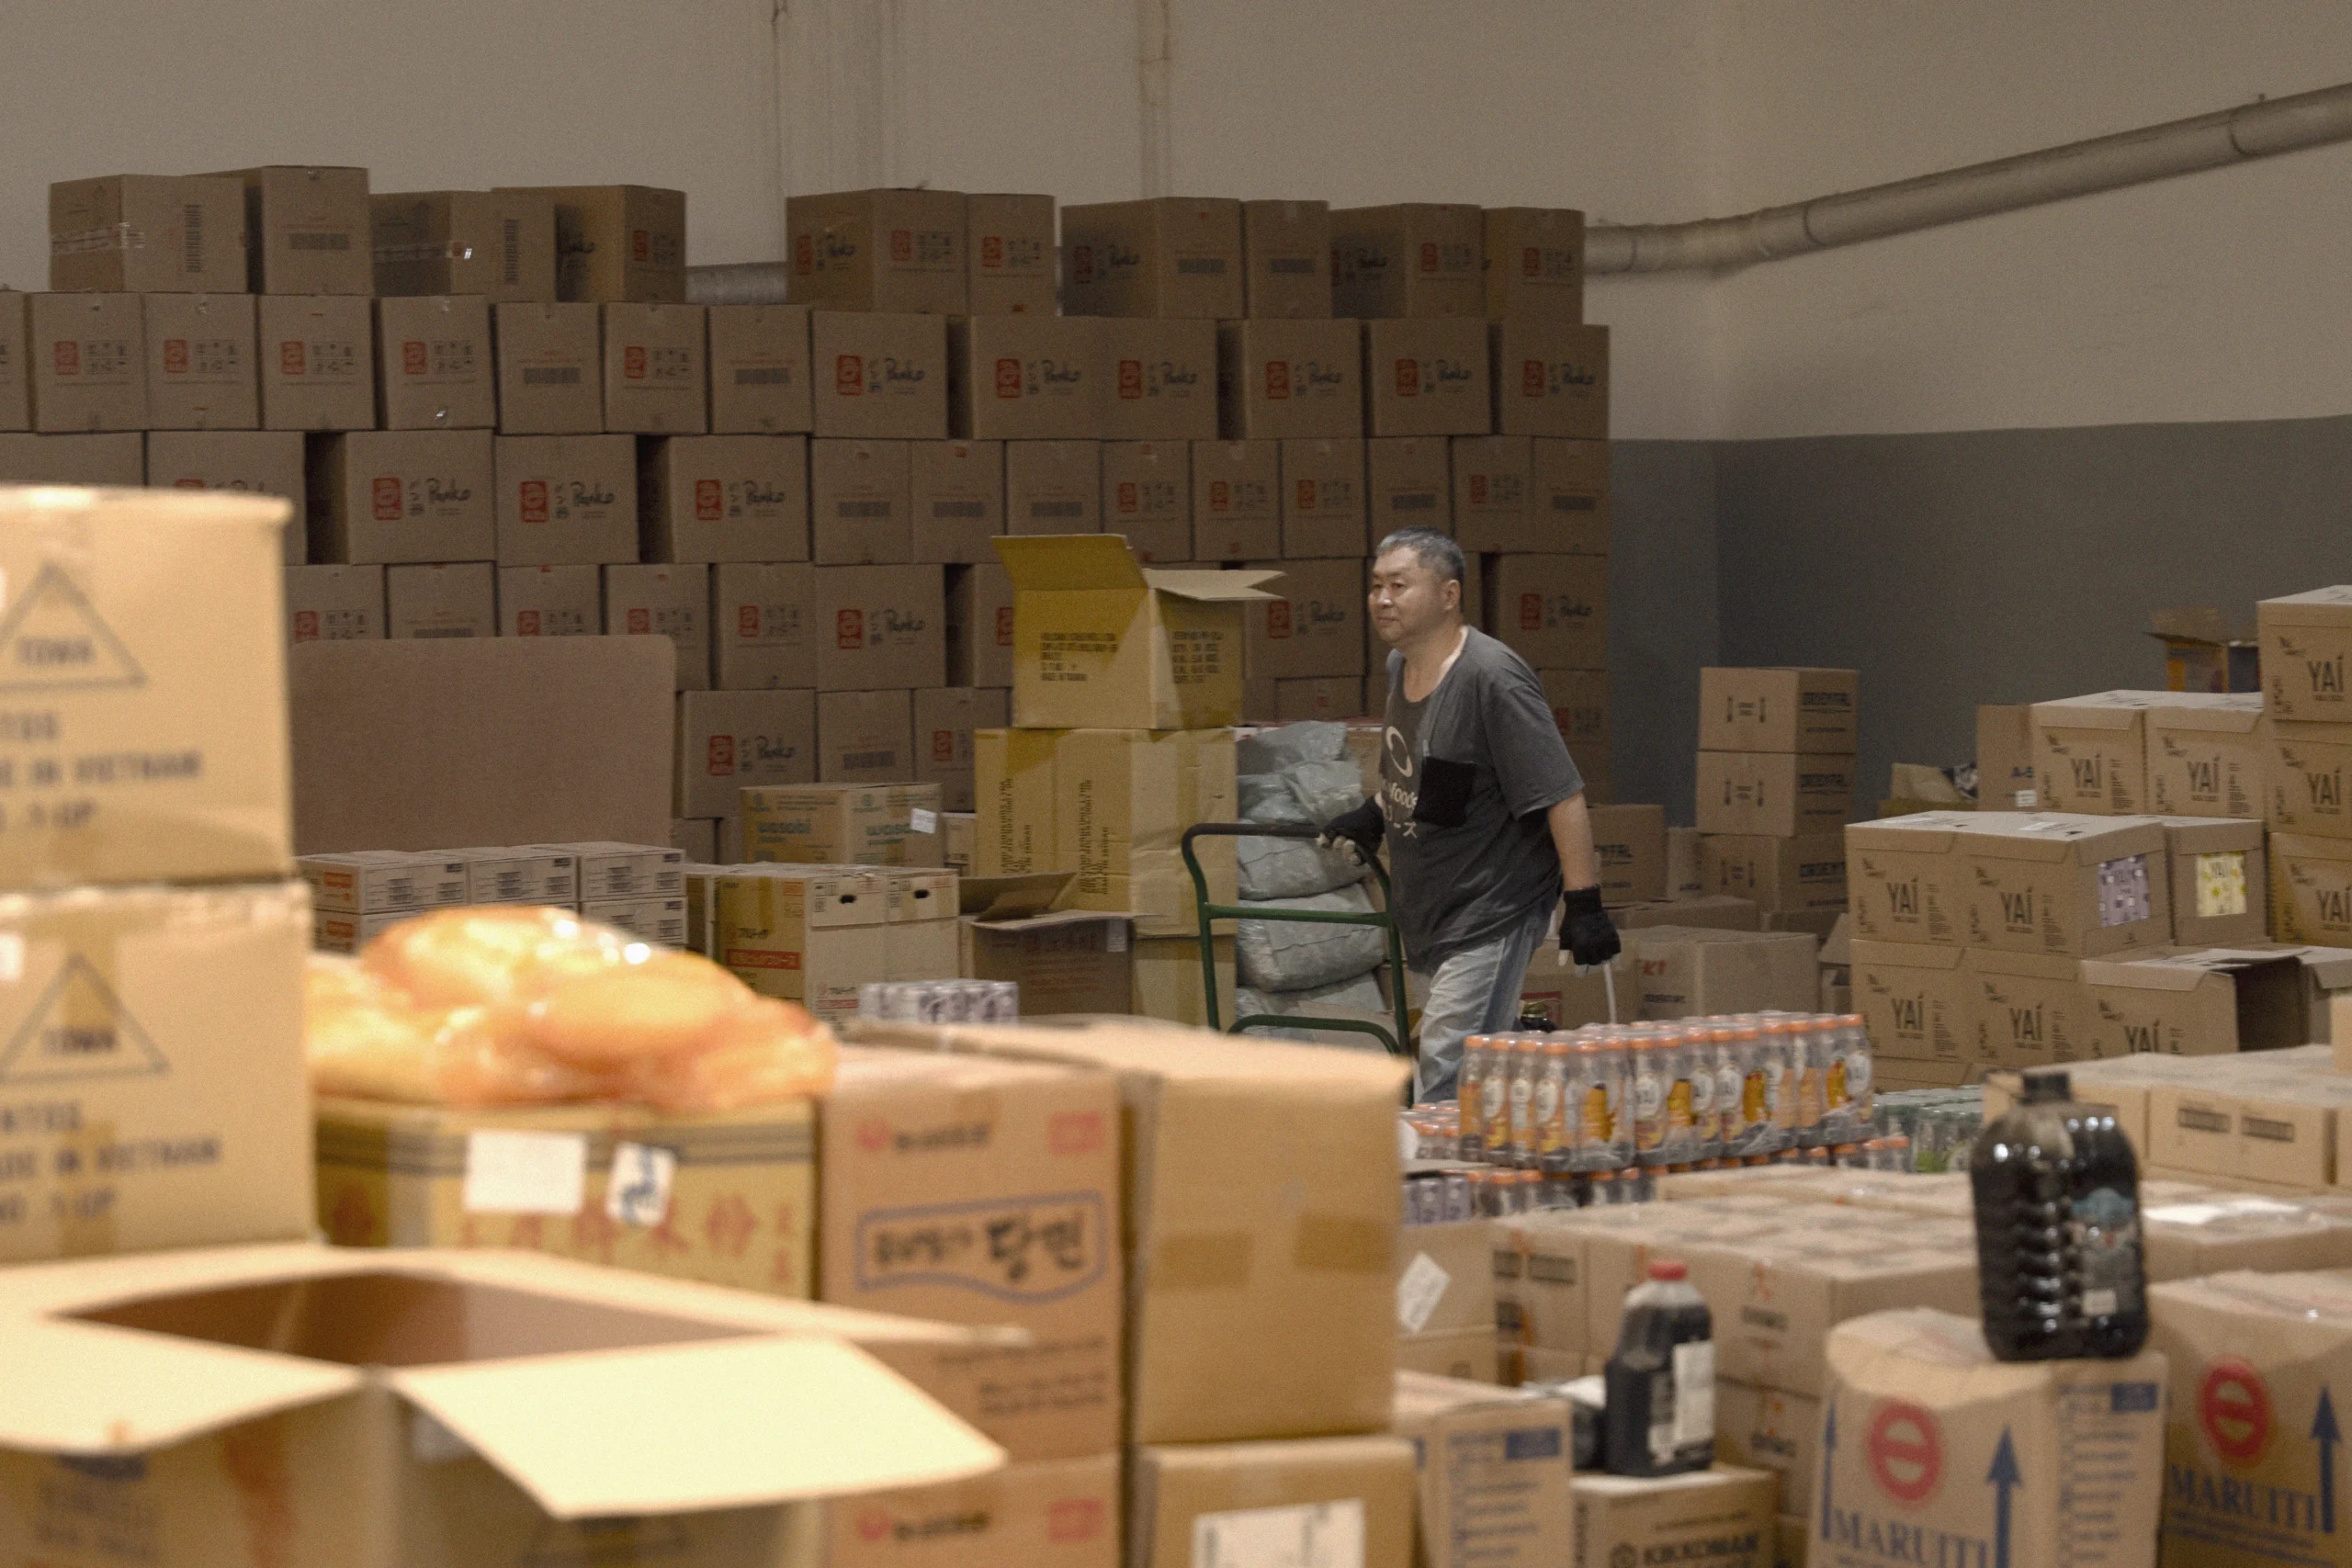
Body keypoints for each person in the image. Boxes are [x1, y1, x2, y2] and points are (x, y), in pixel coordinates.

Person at [1320, 528, 1618, 1101]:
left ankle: (1447, 1163)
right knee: (1478, 1056)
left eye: (1399, 585)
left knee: (1448, 1065)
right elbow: (1429, 769)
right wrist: (1374, 813)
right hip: (1431, 905)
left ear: (1449, 594)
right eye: (1376, 586)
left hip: (1491, 905)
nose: (1382, 599)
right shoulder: (1400, 666)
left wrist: (1584, 903)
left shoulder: (1492, 677)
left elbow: (1562, 793)